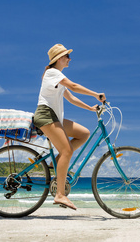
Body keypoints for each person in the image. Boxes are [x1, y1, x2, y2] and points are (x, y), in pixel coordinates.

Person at [33, 44, 105, 210]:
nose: (69, 59)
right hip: (46, 116)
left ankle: (57, 162)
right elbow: (73, 86)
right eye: (67, 56)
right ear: (59, 59)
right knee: (67, 151)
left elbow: (71, 98)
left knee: (84, 133)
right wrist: (96, 94)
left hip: (55, 118)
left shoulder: (58, 78)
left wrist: (90, 108)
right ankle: (60, 195)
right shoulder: (52, 73)